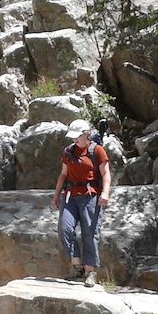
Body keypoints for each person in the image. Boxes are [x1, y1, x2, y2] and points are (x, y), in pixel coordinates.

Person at [50, 118, 111, 286]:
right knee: (65, 228)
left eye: (78, 136)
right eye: (73, 137)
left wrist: (105, 193)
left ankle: (90, 271)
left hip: (90, 196)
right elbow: (63, 174)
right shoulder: (69, 151)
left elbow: (106, 174)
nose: (75, 140)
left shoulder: (97, 151)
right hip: (70, 196)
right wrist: (56, 195)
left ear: (87, 134)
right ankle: (77, 266)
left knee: (90, 233)